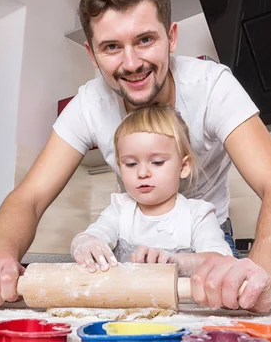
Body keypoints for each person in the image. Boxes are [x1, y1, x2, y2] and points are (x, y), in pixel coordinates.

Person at [0, 0, 271, 313]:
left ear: (171, 37)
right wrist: (1, 260)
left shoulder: (212, 86)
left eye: (145, 40)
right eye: (111, 46)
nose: (131, 63)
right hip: (132, 251)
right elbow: (29, 198)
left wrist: (263, 273)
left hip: (206, 246)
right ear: (92, 54)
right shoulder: (89, 102)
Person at [71, 104, 233, 276]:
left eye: (157, 162)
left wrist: (176, 262)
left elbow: (222, 260)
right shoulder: (120, 209)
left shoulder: (198, 215)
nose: (142, 173)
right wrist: (84, 242)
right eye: (131, 164)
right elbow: (92, 235)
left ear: (184, 166)